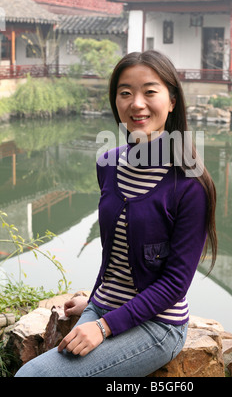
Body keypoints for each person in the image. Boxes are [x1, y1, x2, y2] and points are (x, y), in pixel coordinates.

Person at [15, 50, 217, 377]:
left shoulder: (189, 185)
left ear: (173, 101)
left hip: (157, 326)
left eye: (150, 92)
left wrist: (104, 326)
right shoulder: (108, 164)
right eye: (125, 93)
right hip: (104, 306)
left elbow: (175, 284)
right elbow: (114, 253)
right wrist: (96, 302)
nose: (136, 103)